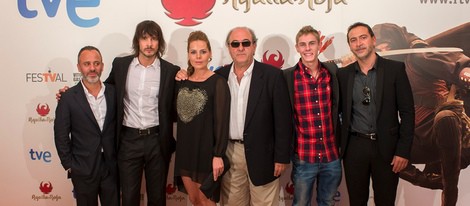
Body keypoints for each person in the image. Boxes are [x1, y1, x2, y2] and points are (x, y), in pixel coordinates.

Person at [177, 26, 293, 206]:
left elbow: (283, 121)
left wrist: (282, 157)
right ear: (229, 48)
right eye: (235, 44)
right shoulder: (219, 76)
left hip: (263, 154)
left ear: (254, 46)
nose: (240, 48)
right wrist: (183, 73)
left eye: (245, 43)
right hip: (229, 153)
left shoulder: (272, 76)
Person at [372, 22, 470, 206]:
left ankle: (449, 195)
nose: (382, 47)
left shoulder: (417, 56)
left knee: (445, 118)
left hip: (444, 128)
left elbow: (451, 63)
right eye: (378, 44)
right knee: (377, 146)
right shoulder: (386, 68)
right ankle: (431, 180)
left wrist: (463, 70)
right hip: (418, 135)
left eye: (385, 42)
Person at [337, 22, 415, 206]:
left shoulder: (395, 70)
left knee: (385, 202)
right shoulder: (343, 74)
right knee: (356, 201)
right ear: (349, 45)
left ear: (373, 39)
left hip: (386, 149)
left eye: (363, 37)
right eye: (353, 40)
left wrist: (403, 151)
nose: (359, 43)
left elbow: (408, 112)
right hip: (354, 148)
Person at [105, 20, 180, 206]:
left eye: (154, 39)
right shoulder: (121, 65)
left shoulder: (171, 71)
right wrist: (72, 94)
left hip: (157, 140)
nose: (149, 44)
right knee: (129, 198)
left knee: (157, 198)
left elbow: (179, 106)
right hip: (128, 141)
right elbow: (103, 91)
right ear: (137, 41)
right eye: (144, 38)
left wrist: (188, 76)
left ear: (160, 42)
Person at [283, 25, 341, 206]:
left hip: (331, 155)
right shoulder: (287, 77)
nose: (307, 48)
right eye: (303, 44)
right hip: (303, 157)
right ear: (297, 48)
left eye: (312, 43)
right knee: (300, 203)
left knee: (328, 202)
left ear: (319, 46)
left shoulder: (332, 73)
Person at [54, 46, 119, 206]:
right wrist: (70, 165)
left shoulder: (114, 92)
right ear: (79, 67)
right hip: (83, 168)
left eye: (96, 63)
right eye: (87, 64)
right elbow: (61, 134)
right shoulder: (68, 97)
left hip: (111, 166)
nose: (92, 68)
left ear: (102, 66)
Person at [174, 31, 230, 205]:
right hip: (185, 151)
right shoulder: (181, 80)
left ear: (210, 54)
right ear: (188, 54)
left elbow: (222, 123)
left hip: (207, 154)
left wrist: (218, 155)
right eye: (193, 52)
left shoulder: (218, 82)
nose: (198, 56)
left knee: (207, 202)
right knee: (194, 200)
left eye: (203, 51)